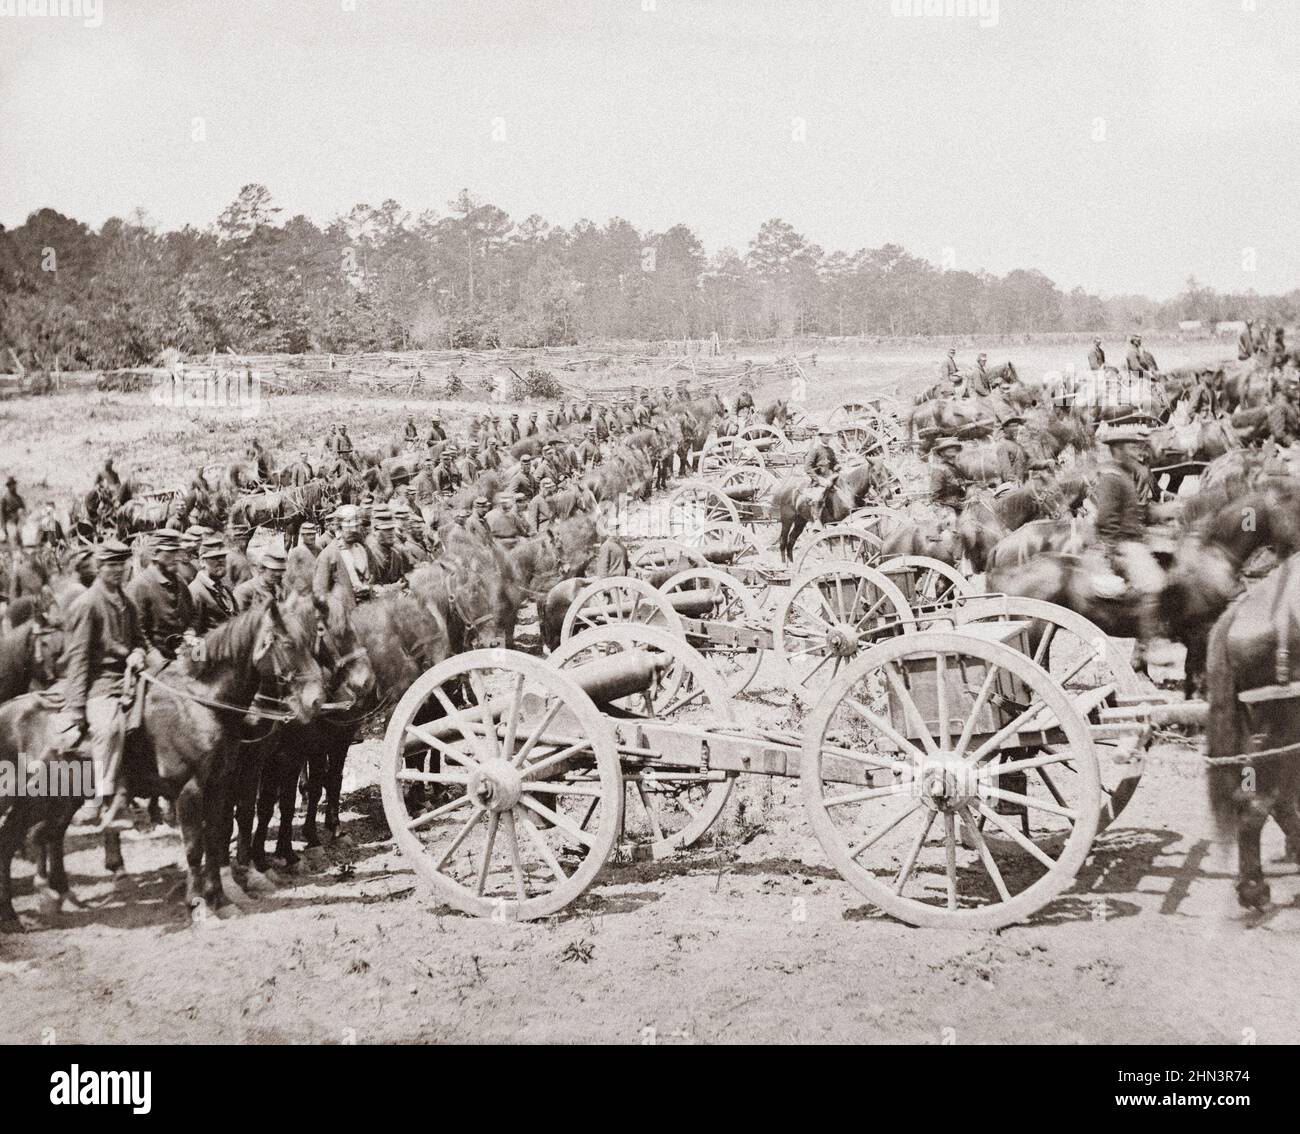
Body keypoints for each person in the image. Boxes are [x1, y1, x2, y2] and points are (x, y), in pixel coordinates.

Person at [55, 538, 142, 831]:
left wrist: (139, 652)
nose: (118, 570)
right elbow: (77, 657)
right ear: (99, 567)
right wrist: (77, 705)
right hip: (99, 683)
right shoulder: (87, 604)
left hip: (131, 678)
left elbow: (139, 640)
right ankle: (101, 798)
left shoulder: (127, 601)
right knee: (108, 727)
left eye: (122, 564)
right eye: (111, 565)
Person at [1093, 424, 1164, 644]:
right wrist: (1113, 551)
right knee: (1154, 584)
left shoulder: (1126, 473)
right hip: (1123, 543)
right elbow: (1106, 518)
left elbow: (1136, 511)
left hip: (1134, 538)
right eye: (1131, 446)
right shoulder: (1112, 477)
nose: (1138, 450)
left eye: (1137, 445)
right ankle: (1148, 646)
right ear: (1118, 449)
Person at [126, 528, 195, 663]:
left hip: (183, 654)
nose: (177, 557)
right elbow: (136, 631)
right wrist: (152, 653)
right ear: (155, 555)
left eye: (178, 552)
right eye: (170, 552)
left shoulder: (180, 581)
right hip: (155, 658)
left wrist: (191, 632)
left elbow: (193, 615)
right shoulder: (140, 585)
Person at [313, 504, 378, 610]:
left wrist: (369, 588)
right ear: (339, 527)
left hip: (367, 612)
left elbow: (374, 578)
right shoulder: (329, 555)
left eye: (356, 526)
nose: (353, 531)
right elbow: (319, 593)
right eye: (348, 527)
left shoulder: (363, 549)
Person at [189, 535, 236, 633]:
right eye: (214, 557)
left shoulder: (224, 588)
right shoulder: (195, 591)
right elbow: (193, 633)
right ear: (202, 562)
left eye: (223, 556)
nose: (220, 561)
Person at [928, 438, 971, 526]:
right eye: (949, 451)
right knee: (952, 522)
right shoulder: (939, 469)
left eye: (955, 450)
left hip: (963, 502)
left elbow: (966, 481)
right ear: (943, 453)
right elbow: (934, 495)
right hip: (946, 506)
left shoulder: (957, 467)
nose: (953, 453)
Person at [803, 425, 840, 526]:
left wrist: (837, 466)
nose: (828, 438)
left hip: (830, 478)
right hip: (819, 480)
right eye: (825, 436)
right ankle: (816, 521)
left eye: (829, 436)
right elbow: (807, 467)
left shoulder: (830, 450)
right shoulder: (815, 450)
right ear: (821, 436)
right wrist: (819, 480)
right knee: (818, 497)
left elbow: (834, 464)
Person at [366, 507, 409, 586]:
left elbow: (403, 580)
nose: (391, 533)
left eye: (392, 529)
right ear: (376, 532)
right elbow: (371, 587)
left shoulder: (396, 555)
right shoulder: (370, 555)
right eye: (386, 530)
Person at [1, 476, 25, 545]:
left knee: (21, 540)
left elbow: (23, 509)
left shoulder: (18, 498)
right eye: (11, 485)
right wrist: (3, 526)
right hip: (10, 522)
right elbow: (2, 514)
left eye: (14, 485)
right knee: (13, 539)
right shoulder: (4, 498)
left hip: (19, 522)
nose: (13, 487)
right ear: (8, 486)